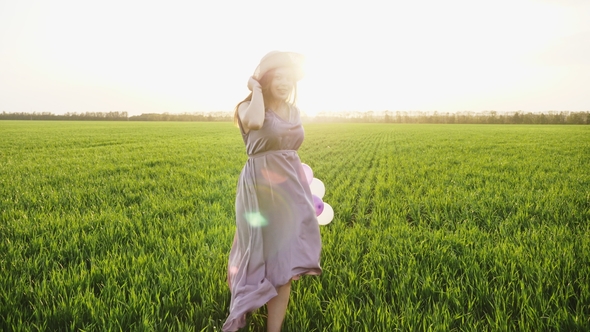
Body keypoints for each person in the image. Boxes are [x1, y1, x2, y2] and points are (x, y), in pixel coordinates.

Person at [222, 51, 322, 332]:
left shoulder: (294, 111)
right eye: (279, 76)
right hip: (259, 187)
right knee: (253, 250)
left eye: (289, 78)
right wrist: (254, 89)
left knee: (284, 258)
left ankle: (273, 329)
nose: (285, 82)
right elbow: (254, 122)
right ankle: (241, 291)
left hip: (290, 188)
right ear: (265, 80)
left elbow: (292, 147)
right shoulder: (247, 108)